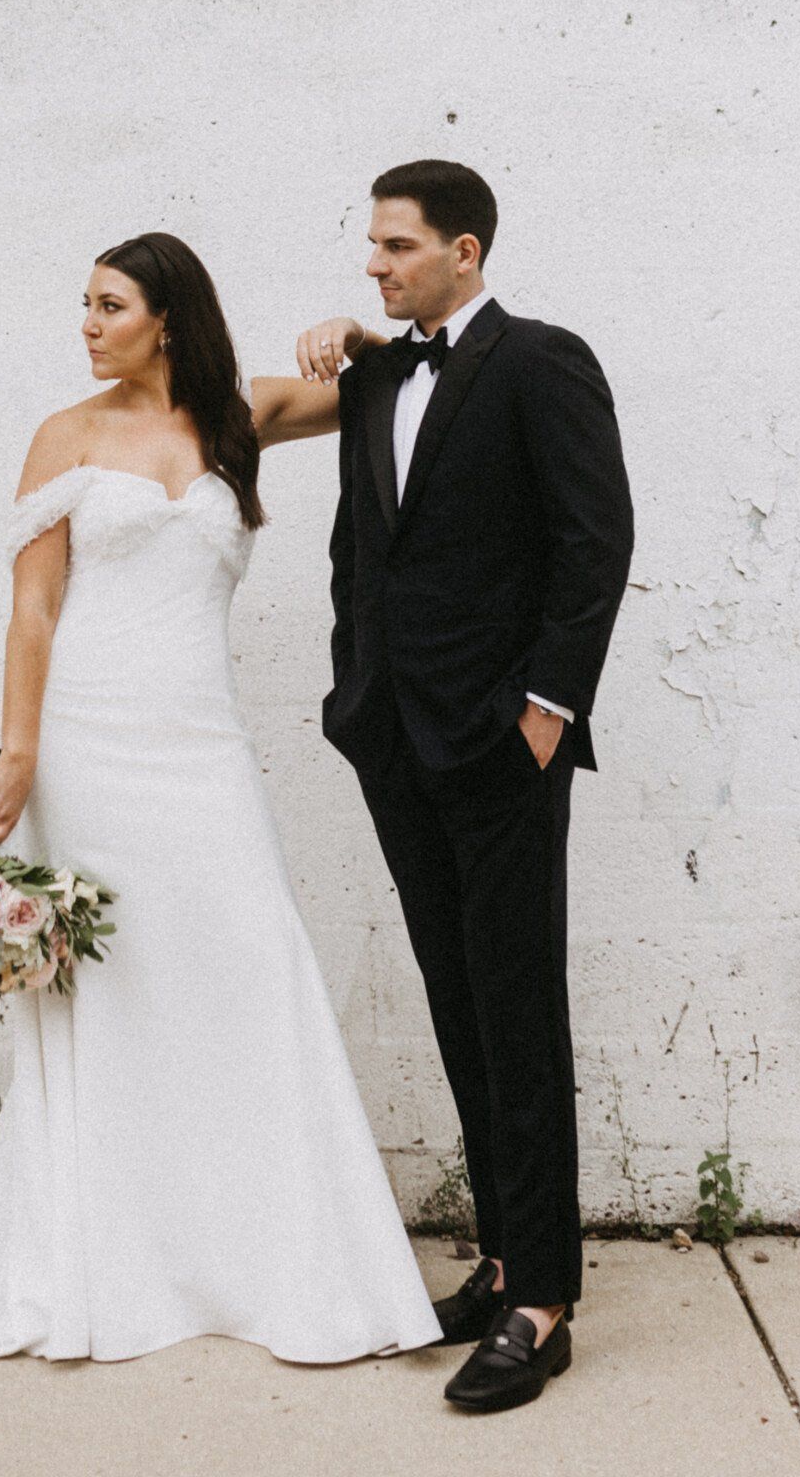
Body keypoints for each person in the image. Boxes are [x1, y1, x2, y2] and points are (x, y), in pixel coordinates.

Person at [0, 231, 439, 1377]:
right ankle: (119, 1258)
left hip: (200, 740)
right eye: (86, 305)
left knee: (249, 957)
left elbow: (380, 391)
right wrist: (17, 752)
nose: (89, 324)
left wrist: (350, 335)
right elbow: (34, 612)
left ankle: (269, 1260)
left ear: (167, 318)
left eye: (110, 305)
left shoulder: (237, 417)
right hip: (91, 743)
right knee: (115, 989)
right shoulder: (66, 436)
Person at [264, 158, 634, 1416]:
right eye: (372, 245)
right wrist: (351, 692)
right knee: (457, 999)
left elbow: (596, 542)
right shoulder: (373, 373)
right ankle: (502, 1259)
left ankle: (543, 1303)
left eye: (399, 246)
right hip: (393, 739)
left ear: (464, 251)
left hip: (497, 744)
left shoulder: (542, 360)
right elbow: (360, 545)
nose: (375, 264)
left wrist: (545, 710)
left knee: (518, 1005)